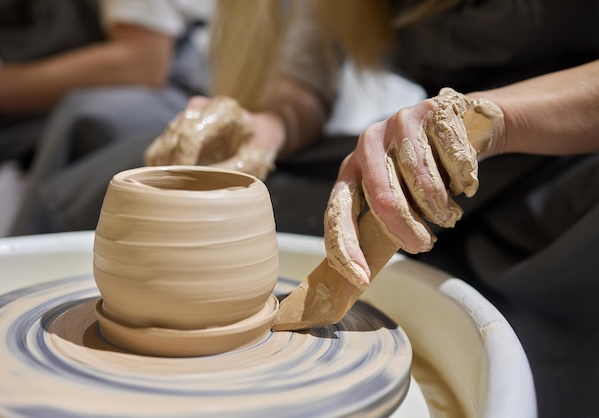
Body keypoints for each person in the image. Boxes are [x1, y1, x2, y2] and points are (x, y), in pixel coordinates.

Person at [147, 1, 598, 417]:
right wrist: (270, 128)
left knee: (534, 330)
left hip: (569, 157)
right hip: (430, 160)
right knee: (164, 182)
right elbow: (306, 81)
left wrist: (494, 121)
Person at [0, 0, 213, 236]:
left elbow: (141, 64)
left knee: (86, 120)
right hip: (53, 77)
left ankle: (35, 251)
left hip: (175, 87)